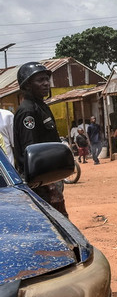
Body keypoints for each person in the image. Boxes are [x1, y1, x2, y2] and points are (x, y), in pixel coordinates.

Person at [12, 62, 68, 216]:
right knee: (55, 225)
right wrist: (50, 187)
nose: (46, 83)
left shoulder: (41, 106)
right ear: (28, 85)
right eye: (40, 80)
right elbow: (31, 153)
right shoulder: (28, 111)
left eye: (47, 79)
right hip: (42, 183)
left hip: (49, 178)